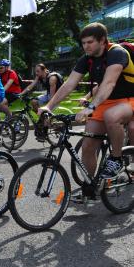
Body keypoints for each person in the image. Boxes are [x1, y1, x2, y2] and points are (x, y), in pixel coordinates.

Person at [38, 22, 134, 180]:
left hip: (129, 98)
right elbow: (69, 84)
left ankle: (116, 159)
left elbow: (109, 83)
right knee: (88, 145)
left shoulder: (117, 53)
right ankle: (90, 184)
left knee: (112, 116)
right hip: (106, 102)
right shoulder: (86, 59)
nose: (86, 46)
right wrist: (49, 106)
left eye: (90, 42)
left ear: (103, 40)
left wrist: (91, 106)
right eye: (83, 43)